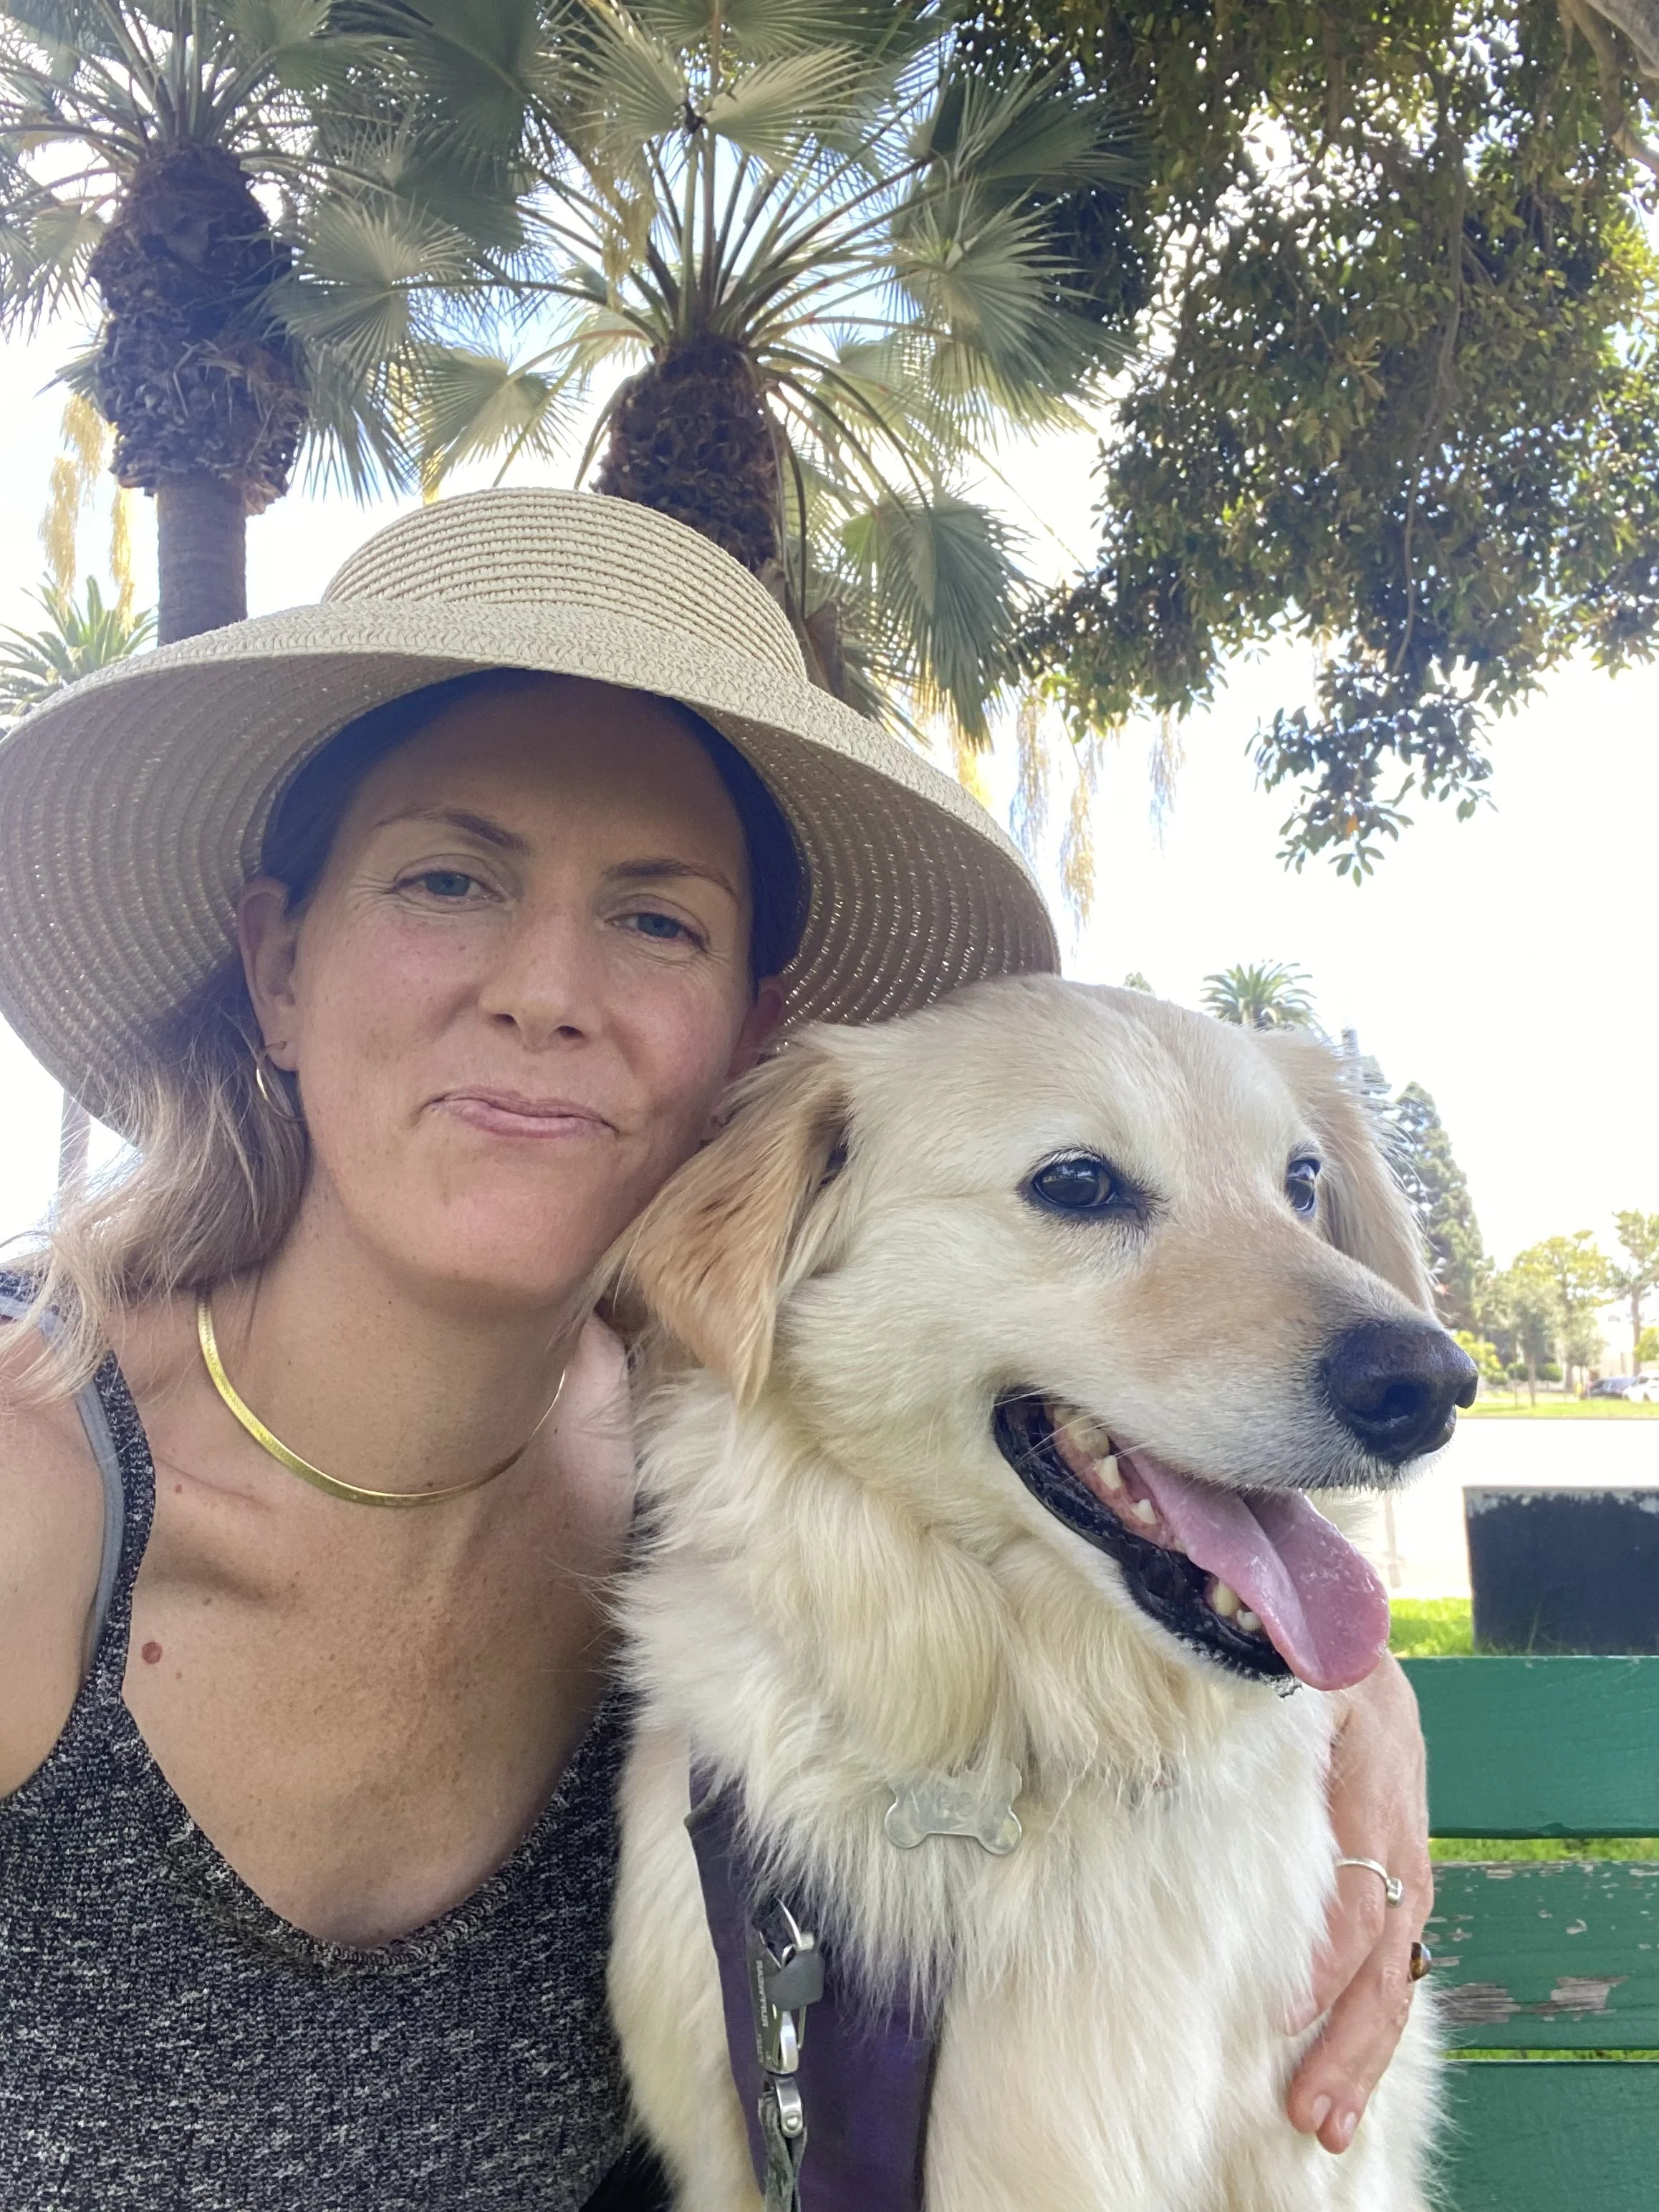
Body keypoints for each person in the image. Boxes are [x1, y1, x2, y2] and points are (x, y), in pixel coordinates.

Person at [0, 489, 1432, 2208]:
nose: (546, 989)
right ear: (280, 964)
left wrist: (1339, 1682)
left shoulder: (728, 1473)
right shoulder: (37, 1492)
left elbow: (1005, 1466)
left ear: (747, 1039)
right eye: (449, 877)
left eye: (657, 919)